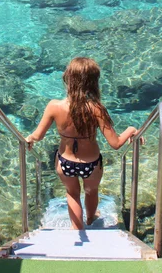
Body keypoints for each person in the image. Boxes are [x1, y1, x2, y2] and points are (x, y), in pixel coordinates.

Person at [25, 57, 142, 230]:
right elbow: (115, 143)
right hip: (91, 164)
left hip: (65, 162)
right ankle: (91, 218)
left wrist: (29, 139)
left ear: (68, 78)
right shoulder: (96, 109)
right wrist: (131, 129)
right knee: (91, 192)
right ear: (93, 83)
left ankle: (77, 229)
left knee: (72, 194)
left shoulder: (54, 106)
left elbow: (38, 135)